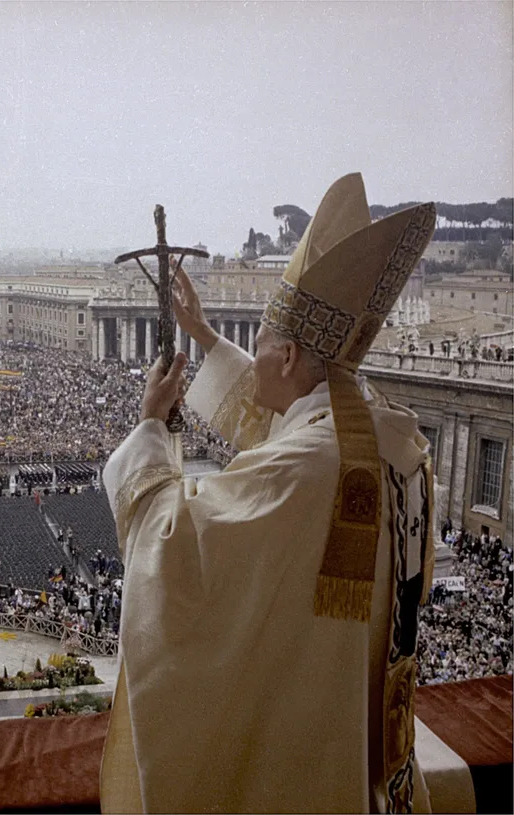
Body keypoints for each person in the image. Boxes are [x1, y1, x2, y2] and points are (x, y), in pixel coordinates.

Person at [100, 175, 444, 813]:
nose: (252, 359)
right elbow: (284, 429)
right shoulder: (386, 436)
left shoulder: (308, 467)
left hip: (307, 747)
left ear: (287, 358)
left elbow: (170, 543)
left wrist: (149, 430)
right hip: (371, 742)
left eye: (258, 347)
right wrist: (205, 336)